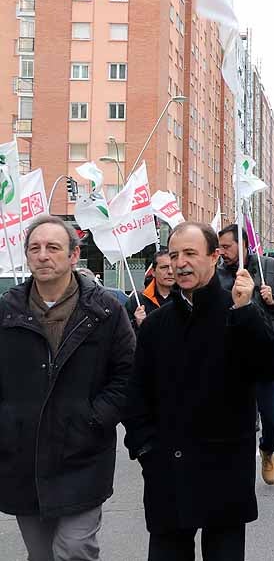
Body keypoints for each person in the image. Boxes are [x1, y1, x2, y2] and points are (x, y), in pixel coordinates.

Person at [123, 222, 274, 561]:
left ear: (214, 257)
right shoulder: (155, 325)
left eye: (191, 254)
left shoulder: (237, 312)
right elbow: (136, 394)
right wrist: (146, 449)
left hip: (224, 468)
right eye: (174, 254)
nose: (180, 263)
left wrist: (247, 312)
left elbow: (272, 367)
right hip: (168, 471)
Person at [0, 216, 135, 561]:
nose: (43, 255)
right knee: (41, 553)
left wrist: (95, 418)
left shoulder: (105, 310)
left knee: (74, 548)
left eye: (53, 247)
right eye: (35, 248)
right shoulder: (6, 311)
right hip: (22, 455)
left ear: (74, 256)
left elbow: (127, 374)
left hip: (81, 454)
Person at [217, 224, 274, 486]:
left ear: (243, 245)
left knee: (272, 417)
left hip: (266, 357)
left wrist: (273, 300)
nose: (222, 252)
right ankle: (238, 472)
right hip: (232, 361)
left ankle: (268, 450)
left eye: (227, 247)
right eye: (219, 247)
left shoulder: (269, 267)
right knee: (237, 421)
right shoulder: (217, 276)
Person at [127, 249, 175, 330]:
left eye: (173, 267)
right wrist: (137, 325)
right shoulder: (137, 301)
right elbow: (125, 337)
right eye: (164, 267)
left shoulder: (186, 298)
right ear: (153, 272)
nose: (170, 271)